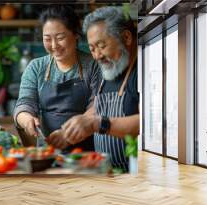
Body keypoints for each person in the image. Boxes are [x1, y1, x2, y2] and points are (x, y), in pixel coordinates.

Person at [13, 5, 101, 152]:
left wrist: (69, 134)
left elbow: (98, 106)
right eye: (47, 39)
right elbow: (24, 103)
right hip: (48, 152)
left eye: (60, 38)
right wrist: (26, 119)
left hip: (87, 153)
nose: (54, 45)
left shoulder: (93, 66)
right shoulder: (36, 67)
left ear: (76, 35)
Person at [62, 6, 139, 171]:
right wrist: (72, 128)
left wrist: (97, 124)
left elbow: (150, 123)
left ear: (126, 37)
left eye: (102, 46)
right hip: (107, 174)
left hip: (133, 176)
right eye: (92, 48)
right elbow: (96, 109)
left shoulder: (144, 71)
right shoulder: (110, 70)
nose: (97, 55)